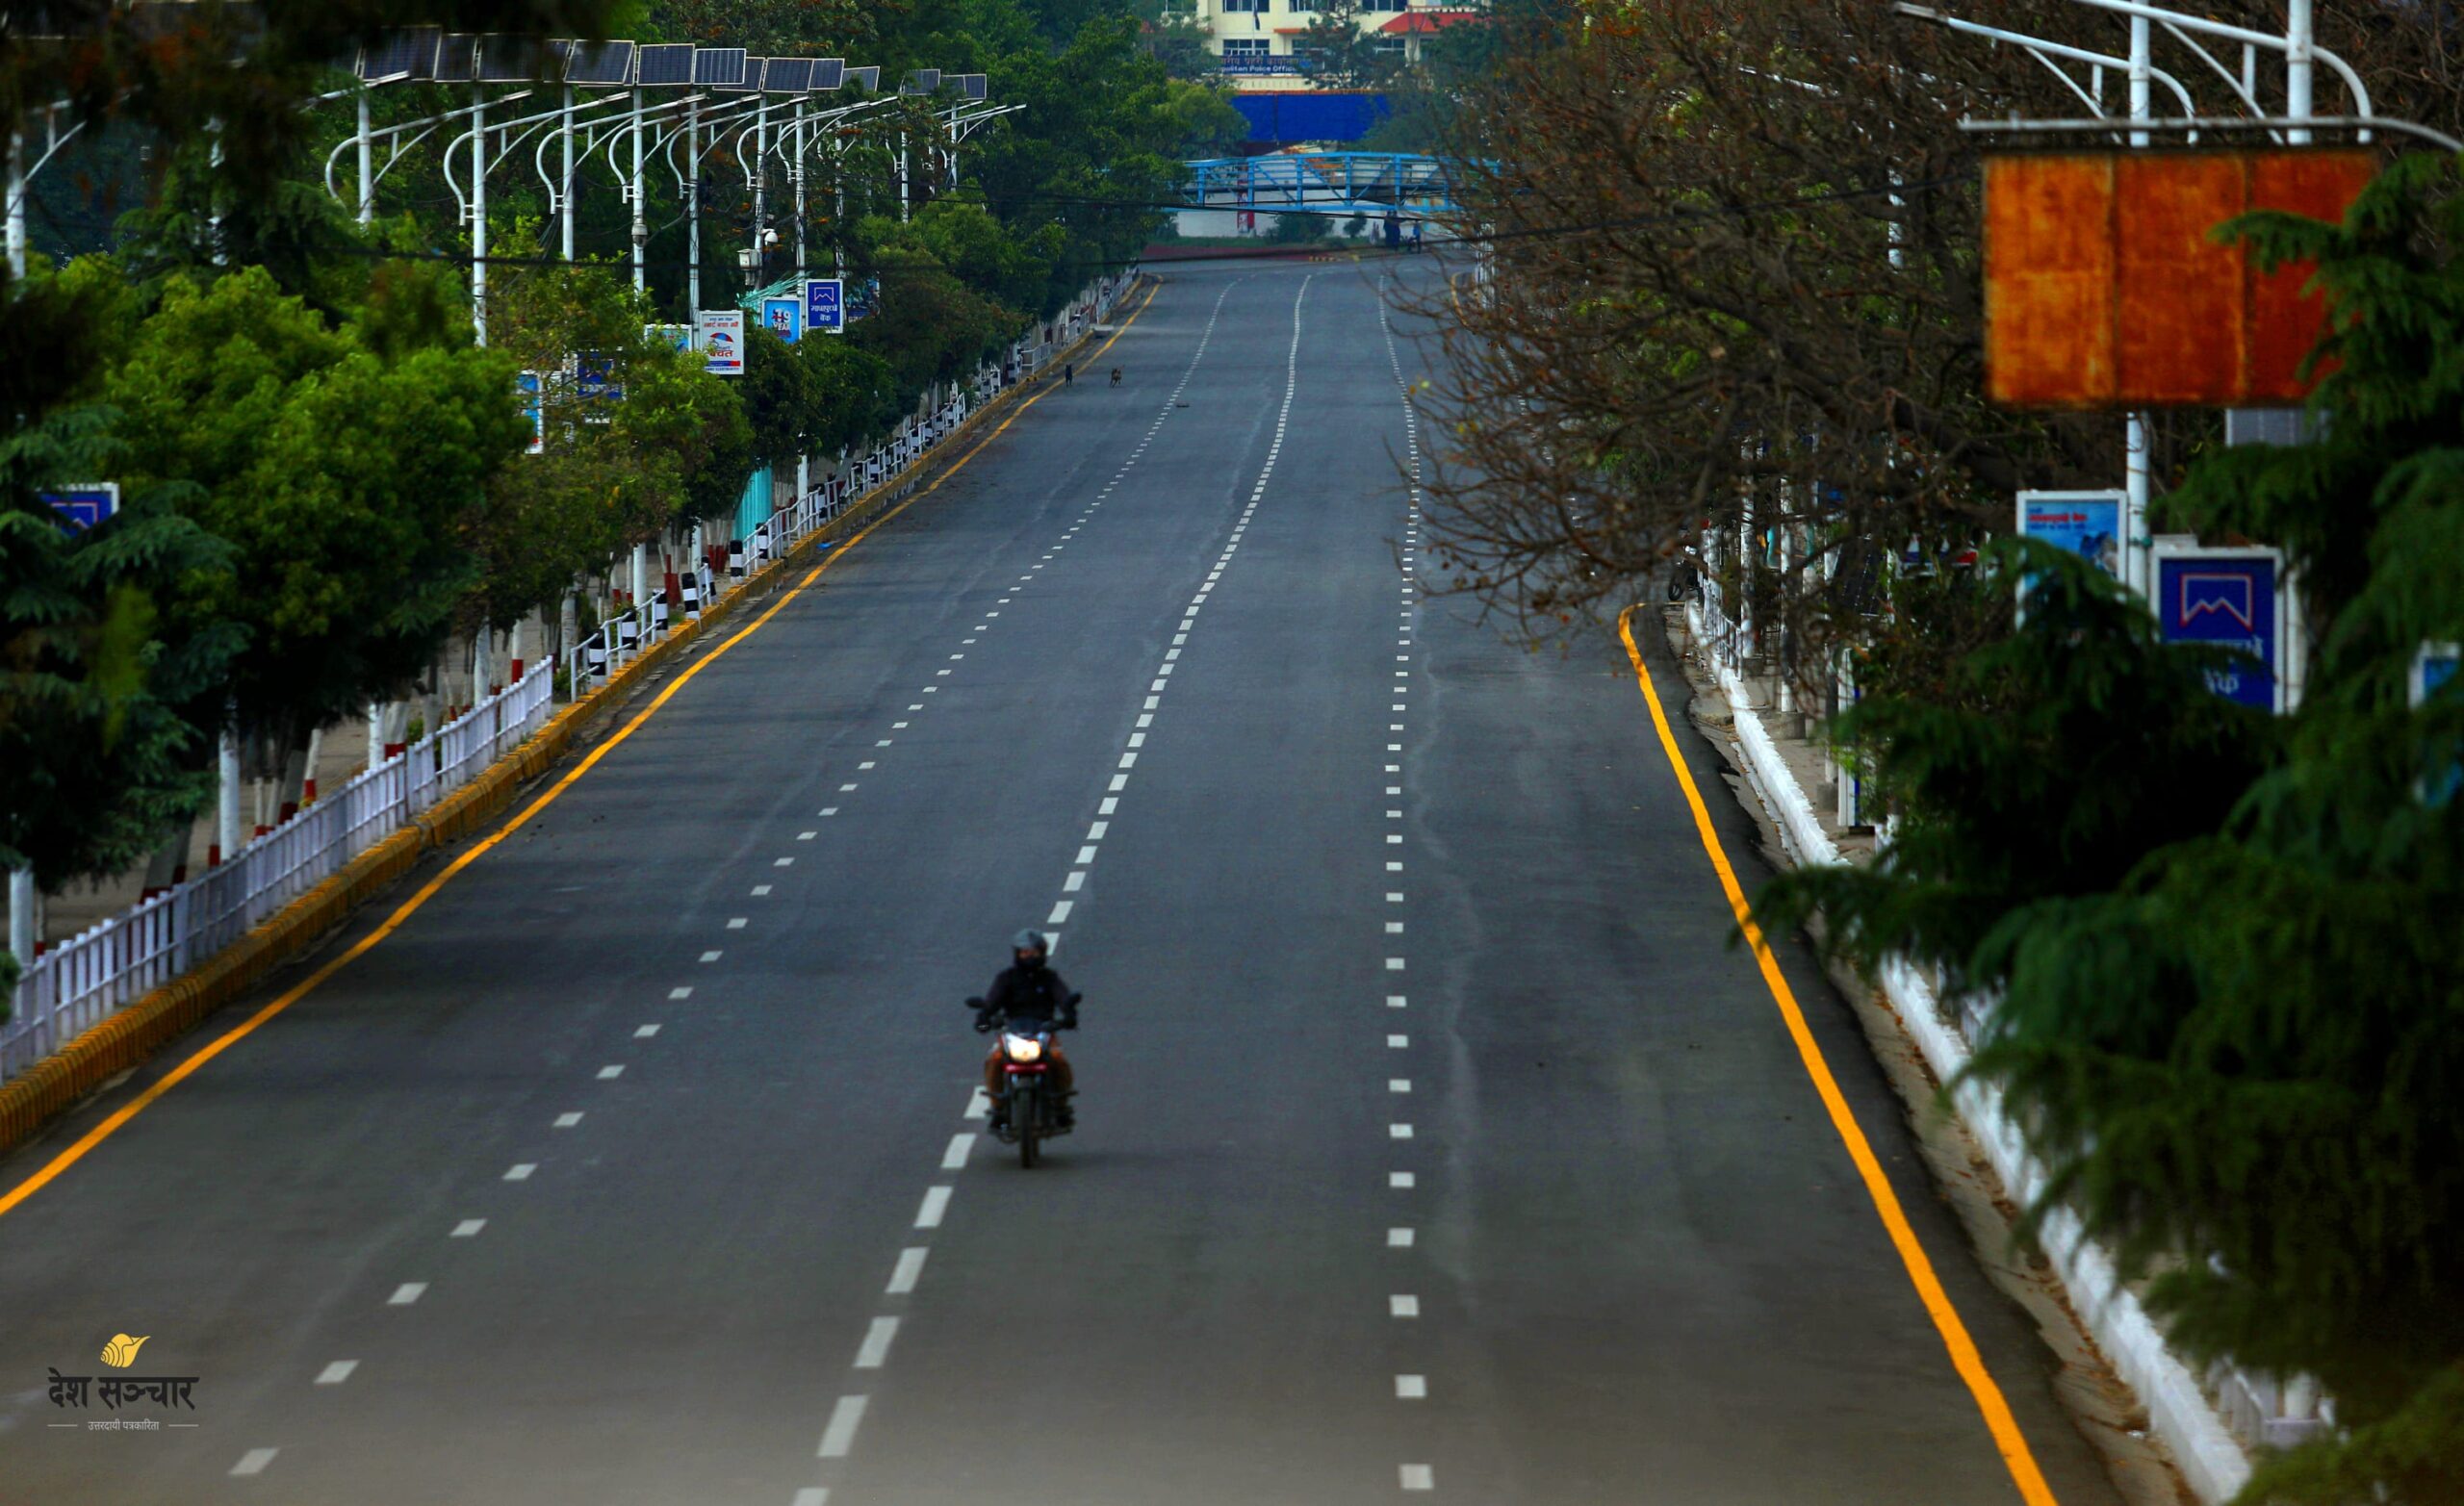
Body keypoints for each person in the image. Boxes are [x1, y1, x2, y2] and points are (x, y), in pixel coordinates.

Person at [977, 929, 1076, 1128]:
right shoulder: (1007, 978)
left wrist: (1069, 1012)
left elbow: (1062, 995)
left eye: (1033, 952)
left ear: (1041, 953)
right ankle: (998, 1107)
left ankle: (1061, 1106)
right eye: (1024, 952)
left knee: (1058, 1059)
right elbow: (992, 1000)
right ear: (1017, 954)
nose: (1029, 956)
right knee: (994, 1060)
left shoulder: (1049, 977)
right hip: (1012, 1031)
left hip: (1044, 1030)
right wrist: (984, 1016)